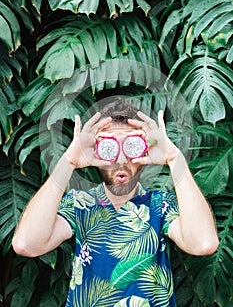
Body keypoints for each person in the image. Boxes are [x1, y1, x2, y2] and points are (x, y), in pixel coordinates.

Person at [12, 98, 219, 307]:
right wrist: (69, 161)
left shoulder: (161, 205)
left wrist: (175, 158)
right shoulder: (80, 205)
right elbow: (26, 244)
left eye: (131, 146)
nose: (120, 160)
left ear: (144, 149)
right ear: (95, 148)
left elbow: (204, 243)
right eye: (109, 146)